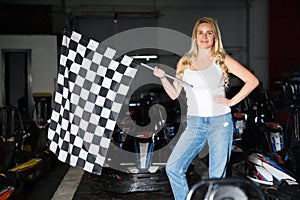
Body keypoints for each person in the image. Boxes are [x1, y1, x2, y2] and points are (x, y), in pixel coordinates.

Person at [153, 17, 259, 200]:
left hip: (220, 123)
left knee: (216, 178)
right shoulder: (184, 62)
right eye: (200, 32)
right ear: (194, 36)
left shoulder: (221, 60)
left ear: (214, 37)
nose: (204, 36)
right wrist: (163, 78)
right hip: (195, 124)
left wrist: (232, 101)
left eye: (209, 33)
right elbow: (173, 94)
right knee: (173, 168)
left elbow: (252, 81)